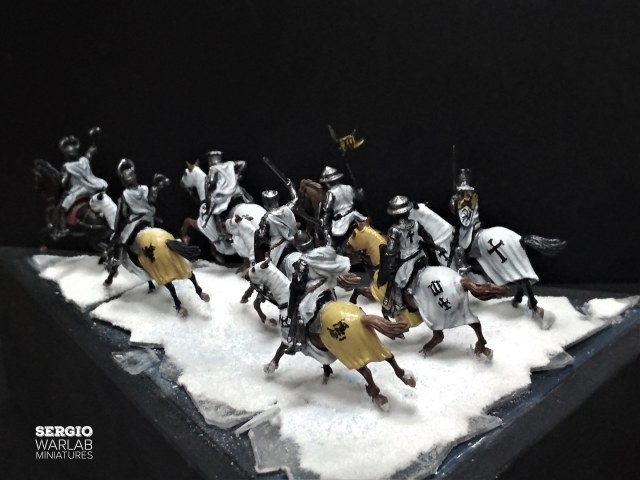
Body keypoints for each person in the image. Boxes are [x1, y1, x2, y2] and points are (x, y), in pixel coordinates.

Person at [104, 158, 169, 284]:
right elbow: (151, 200)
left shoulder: (126, 195)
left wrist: (117, 229)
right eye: (127, 178)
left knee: (120, 240)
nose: (130, 179)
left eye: (130, 176)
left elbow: (121, 214)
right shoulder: (143, 189)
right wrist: (155, 188)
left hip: (135, 221)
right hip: (149, 218)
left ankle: (115, 262)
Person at [284, 231, 351, 353]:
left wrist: (292, 303)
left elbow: (298, 285)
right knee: (332, 293)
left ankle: (300, 341)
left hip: (314, 290)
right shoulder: (322, 253)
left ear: (298, 247)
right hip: (327, 285)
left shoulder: (302, 262)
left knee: (301, 310)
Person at [378, 195, 442, 316]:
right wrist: (432, 246)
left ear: (394, 215)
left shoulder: (394, 230)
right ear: (408, 212)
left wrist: (389, 261)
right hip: (421, 255)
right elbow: (428, 237)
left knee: (396, 283)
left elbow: (391, 251)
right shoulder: (416, 223)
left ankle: (398, 306)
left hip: (406, 260)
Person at [52, 128, 107, 238]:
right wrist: (94, 140)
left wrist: (61, 179)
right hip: (93, 187)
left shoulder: (67, 166)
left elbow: (63, 183)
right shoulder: (84, 160)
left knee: (62, 207)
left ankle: (62, 229)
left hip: (77, 191)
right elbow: (91, 151)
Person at [202, 150, 252, 239]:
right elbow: (243, 163)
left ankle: (223, 232)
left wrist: (209, 186)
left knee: (214, 210)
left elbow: (212, 182)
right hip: (235, 191)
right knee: (243, 192)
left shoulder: (213, 168)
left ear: (210, 160)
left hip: (222, 194)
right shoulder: (229, 163)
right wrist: (237, 174)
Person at [318, 166, 366, 249]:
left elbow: (327, 209)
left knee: (331, 236)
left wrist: (323, 215)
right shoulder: (348, 187)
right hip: (356, 215)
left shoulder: (330, 193)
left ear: (327, 182)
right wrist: (360, 192)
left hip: (342, 221)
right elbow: (360, 198)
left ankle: (336, 250)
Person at [254, 189, 298, 269]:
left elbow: (261, 237)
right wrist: (290, 186)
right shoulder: (287, 208)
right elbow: (295, 198)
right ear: (277, 200)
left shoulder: (266, 218)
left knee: (272, 267)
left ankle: (261, 269)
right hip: (295, 242)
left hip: (279, 248)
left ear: (265, 204)